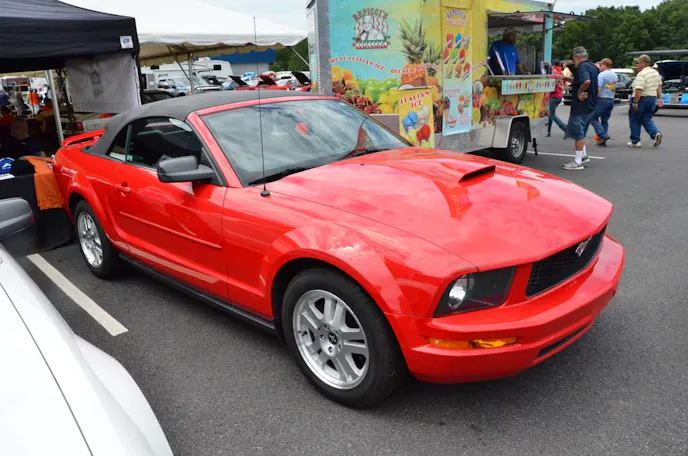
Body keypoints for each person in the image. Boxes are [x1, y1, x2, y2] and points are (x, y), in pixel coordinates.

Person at [558, 46, 599, 171]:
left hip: (581, 106)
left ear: (577, 57)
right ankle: (583, 156)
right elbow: (580, 80)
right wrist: (566, 78)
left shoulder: (582, 67)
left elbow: (586, 81)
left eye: (573, 58)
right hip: (590, 105)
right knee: (582, 131)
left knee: (578, 133)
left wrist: (580, 91)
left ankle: (577, 161)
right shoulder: (593, 67)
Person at [628, 54, 663, 148]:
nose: (636, 65)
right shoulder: (655, 73)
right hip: (652, 98)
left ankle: (635, 141)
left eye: (637, 63)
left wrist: (635, 102)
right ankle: (655, 133)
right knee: (646, 118)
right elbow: (659, 86)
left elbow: (639, 89)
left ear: (643, 63)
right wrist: (659, 98)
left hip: (642, 99)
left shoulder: (641, 74)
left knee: (635, 119)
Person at [590, 58, 617, 146]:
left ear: (604, 65)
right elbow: (613, 87)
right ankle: (602, 140)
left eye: (601, 65)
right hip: (611, 98)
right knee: (604, 120)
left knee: (593, 118)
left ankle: (603, 135)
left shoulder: (601, 75)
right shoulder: (614, 75)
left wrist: (595, 98)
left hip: (602, 99)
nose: (600, 67)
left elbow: (599, 88)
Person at [547, 59, 568, 137]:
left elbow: (549, 86)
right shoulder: (561, 73)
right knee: (550, 113)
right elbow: (565, 84)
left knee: (552, 115)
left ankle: (565, 128)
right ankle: (548, 131)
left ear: (553, 65)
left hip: (553, 96)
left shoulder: (553, 74)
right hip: (559, 96)